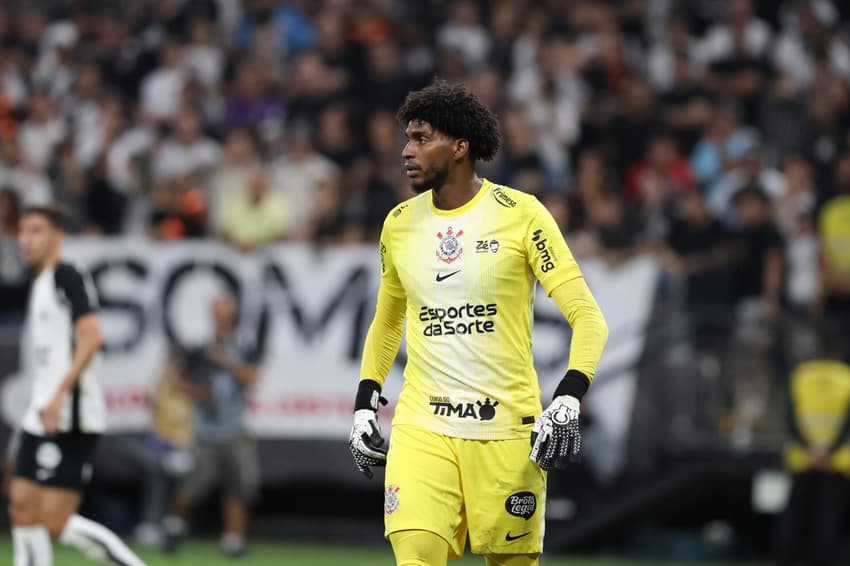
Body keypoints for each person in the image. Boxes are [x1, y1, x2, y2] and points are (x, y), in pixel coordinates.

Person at [347, 80, 608, 566]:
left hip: (507, 429)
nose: (406, 150)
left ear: (461, 146)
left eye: (422, 138)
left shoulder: (522, 215)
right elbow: (386, 324)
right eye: (408, 138)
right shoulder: (398, 224)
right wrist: (365, 402)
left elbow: (588, 317)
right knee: (417, 554)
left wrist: (569, 395)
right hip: (423, 425)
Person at [9, 205, 146, 566]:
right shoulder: (39, 282)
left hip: (69, 413)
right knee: (21, 501)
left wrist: (59, 393)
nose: (26, 238)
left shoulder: (65, 275)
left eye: (37, 230)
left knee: (55, 519)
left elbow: (92, 335)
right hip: (41, 410)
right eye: (23, 230)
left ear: (58, 236)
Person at [162, 293, 260, 558]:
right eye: (218, 313)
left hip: (234, 428)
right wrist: (197, 393)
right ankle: (174, 525)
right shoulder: (197, 350)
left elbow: (253, 377)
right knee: (193, 484)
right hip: (206, 430)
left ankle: (233, 539)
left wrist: (225, 362)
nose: (222, 318)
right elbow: (176, 381)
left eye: (226, 312)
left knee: (239, 485)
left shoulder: (243, 347)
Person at [775, 331, 850, 566]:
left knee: (794, 516)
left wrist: (810, 449)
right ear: (837, 353)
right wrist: (828, 451)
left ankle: (786, 558)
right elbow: (847, 424)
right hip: (835, 461)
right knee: (827, 519)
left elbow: (790, 420)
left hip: (802, 458)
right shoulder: (846, 378)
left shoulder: (800, 377)